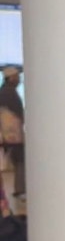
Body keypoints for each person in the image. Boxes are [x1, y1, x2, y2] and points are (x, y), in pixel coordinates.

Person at [0, 66, 24, 198]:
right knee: (20, 161)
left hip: (9, 135)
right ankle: (21, 190)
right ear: (11, 78)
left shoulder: (5, 92)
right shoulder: (9, 94)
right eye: (17, 77)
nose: (19, 79)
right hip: (13, 135)